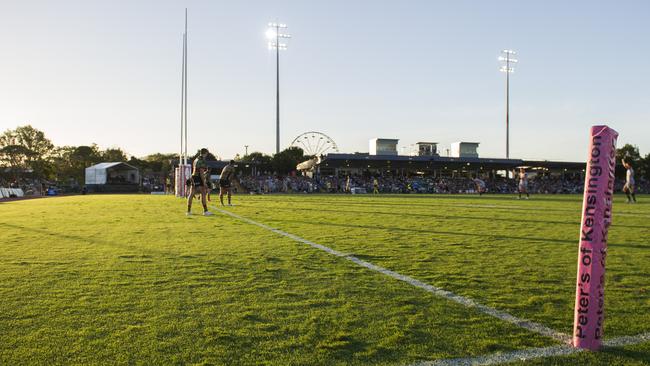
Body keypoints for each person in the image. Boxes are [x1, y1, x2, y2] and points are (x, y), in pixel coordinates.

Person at [187, 148, 213, 216]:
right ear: (205, 153)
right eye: (207, 153)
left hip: (193, 177)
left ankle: (188, 211)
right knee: (203, 193)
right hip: (198, 177)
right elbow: (201, 172)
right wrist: (204, 183)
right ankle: (205, 211)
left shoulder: (196, 159)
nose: (207, 155)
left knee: (191, 194)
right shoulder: (202, 160)